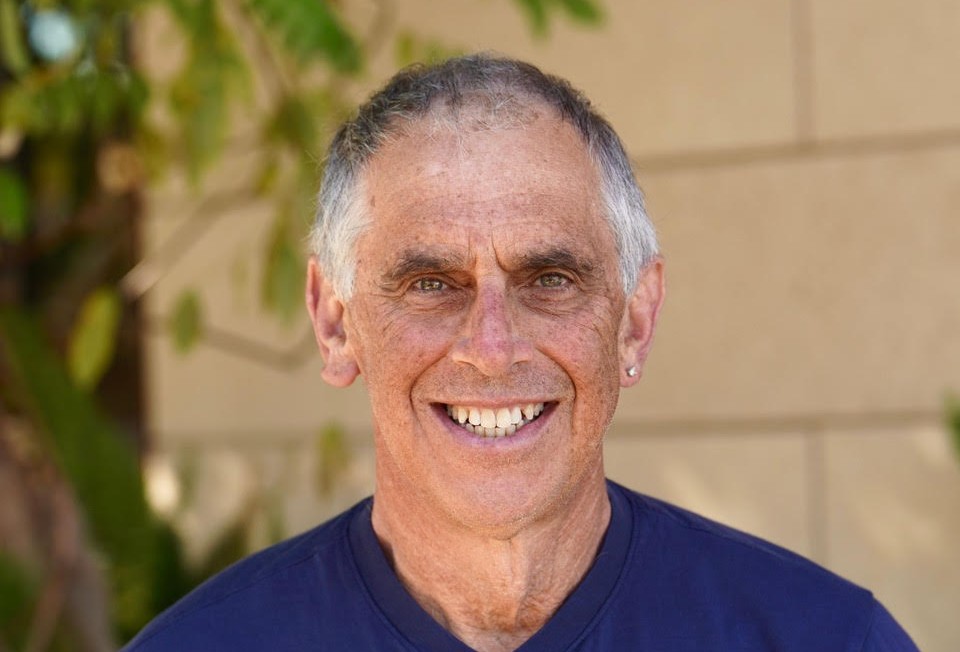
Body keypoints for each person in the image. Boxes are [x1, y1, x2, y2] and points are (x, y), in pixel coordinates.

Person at [124, 55, 918, 652]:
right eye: (432, 283)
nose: (493, 350)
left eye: (550, 278)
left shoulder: (827, 638)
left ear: (635, 321)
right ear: (335, 324)